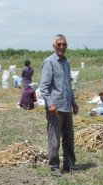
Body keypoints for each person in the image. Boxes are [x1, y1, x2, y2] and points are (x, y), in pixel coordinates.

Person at [40, 34, 79, 176]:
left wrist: (74, 102)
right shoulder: (49, 62)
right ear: (54, 46)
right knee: (54, 139)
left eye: (64, 44)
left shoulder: (66, 62)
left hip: (67, 105)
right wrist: (50, 104)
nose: (62, 47)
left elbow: (68, 84)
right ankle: (54, 167)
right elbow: (43, 87)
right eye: (59, 44)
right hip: (55, 108)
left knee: (69, 138)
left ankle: (69, 165)